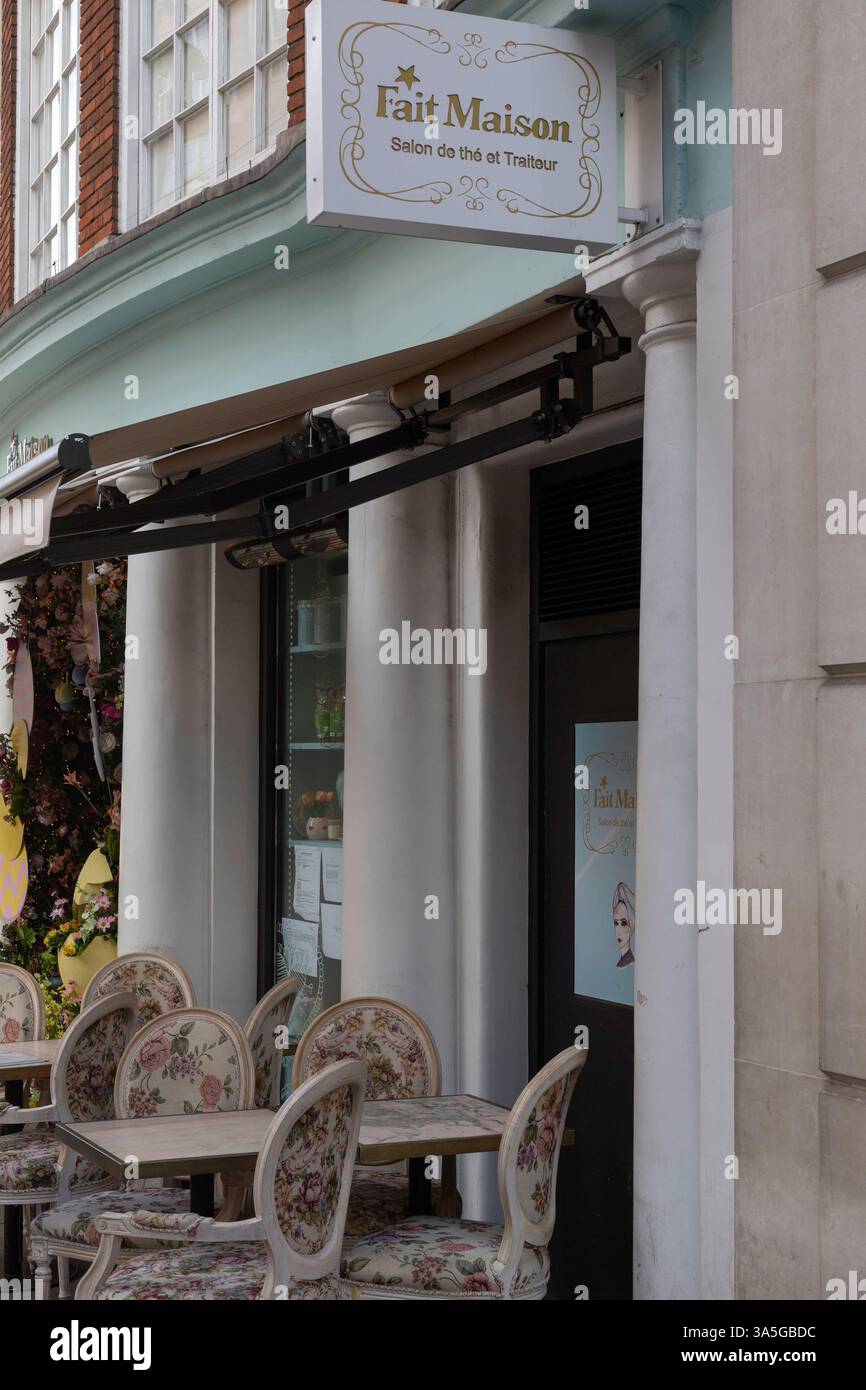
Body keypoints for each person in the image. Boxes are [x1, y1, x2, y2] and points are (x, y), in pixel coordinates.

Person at [612, 881, 635, 968]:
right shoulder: (621, 962)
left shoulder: (629, 961)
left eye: (623, 923)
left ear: (630, 926)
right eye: (616, 923)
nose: (618, 931)